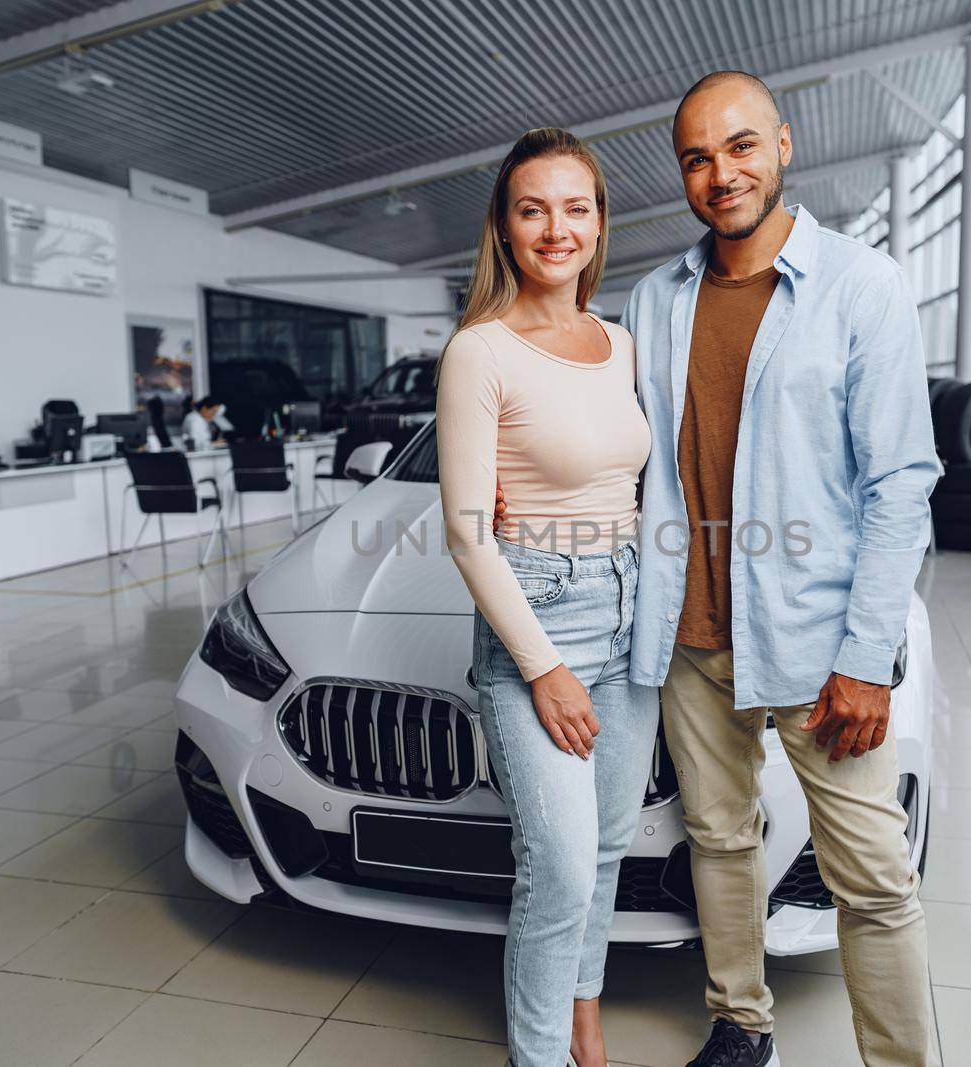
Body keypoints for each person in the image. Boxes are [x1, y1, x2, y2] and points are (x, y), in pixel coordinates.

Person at [623, 72, 942, 1067]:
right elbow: (631, 456)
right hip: (689, 633)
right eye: (696, 157)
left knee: (875, 878)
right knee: (718, 838)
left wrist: (865, 655)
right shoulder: (655, 298)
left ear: (784, 146)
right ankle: (739, 1020)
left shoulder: (861, 283)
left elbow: (900, 481)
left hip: (818, 644)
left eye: (741, 147)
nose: (721, 174)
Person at [436, 127, 658, 1067]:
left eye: (576, 207)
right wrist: (544, 666)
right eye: (533, 209)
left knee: (605, 845)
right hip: (540, 612)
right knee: (559, 865)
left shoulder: (622, 344)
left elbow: (634, 481)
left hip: (627, 601)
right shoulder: (479, 352)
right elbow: (465, 529)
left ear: (600, 222)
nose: (556, 229)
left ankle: (583, 1015)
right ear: (504, 226)